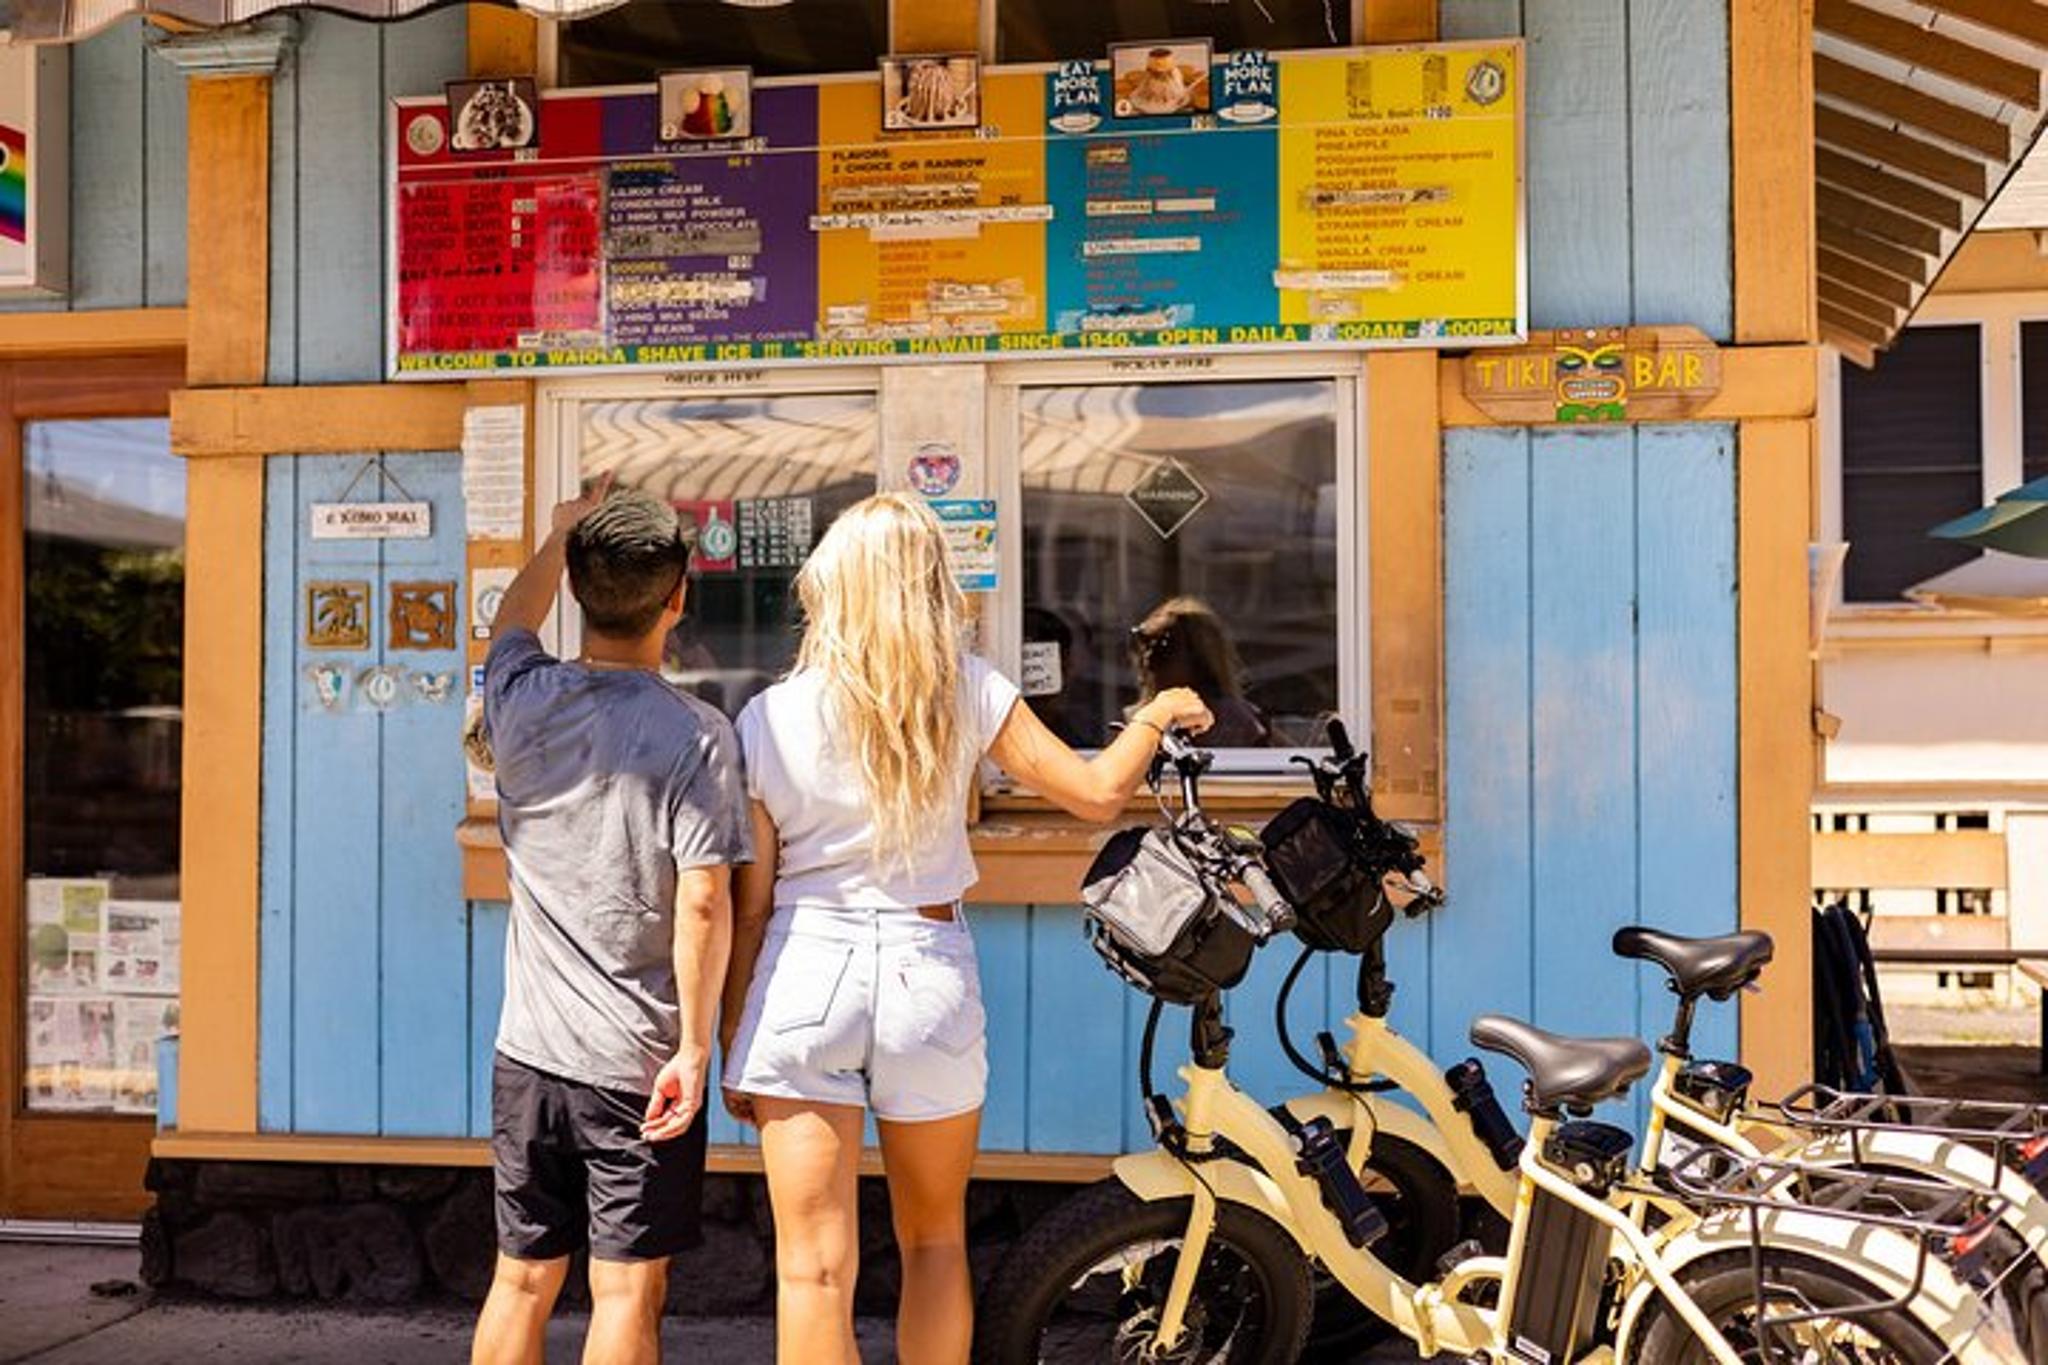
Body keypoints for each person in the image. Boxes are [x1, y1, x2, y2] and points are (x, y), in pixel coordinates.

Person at [719, 493, 1214, 1365]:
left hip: (803, 968)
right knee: (937, 1241)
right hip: (926, 970)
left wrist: (734, 1029)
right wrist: (1154, 712)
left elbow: (750, 901)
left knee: (812, 1273)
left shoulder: (769, 715)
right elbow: (1096, 793)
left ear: (831, 586)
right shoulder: (971, 687)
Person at [471, 477, 752, 1365]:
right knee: (627, 1290)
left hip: (527, 1053)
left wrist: (557, 532)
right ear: (678, 597)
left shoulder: (518, 695)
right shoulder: (698, 733)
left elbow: (510, 620)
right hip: (638, 1066)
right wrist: (697, 1049)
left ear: (581, 591)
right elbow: (706, 899)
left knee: (520, 1276)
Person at [1129, 595, 1270, 748]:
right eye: (1146, 646)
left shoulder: (1238, 723)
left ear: (1199, 660)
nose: (1150, 659)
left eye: (1165, 648)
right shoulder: (1135, 722)